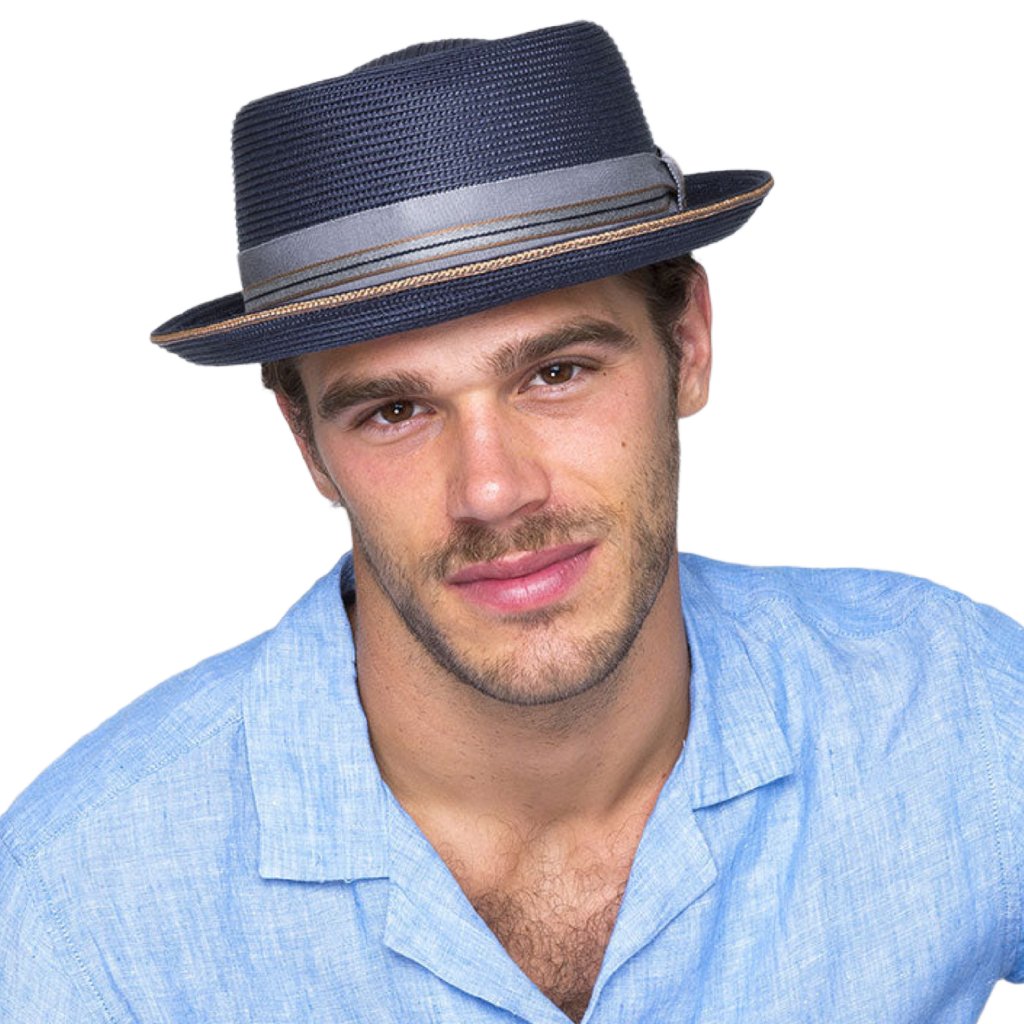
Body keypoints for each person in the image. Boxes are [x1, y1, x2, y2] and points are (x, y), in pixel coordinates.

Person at [1, 20, 1021, 1024]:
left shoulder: (953, 710)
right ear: (307, 442)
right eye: (394, 410)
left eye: (557, 372)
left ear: (689, 345)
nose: (492, 490)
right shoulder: (81, 908)